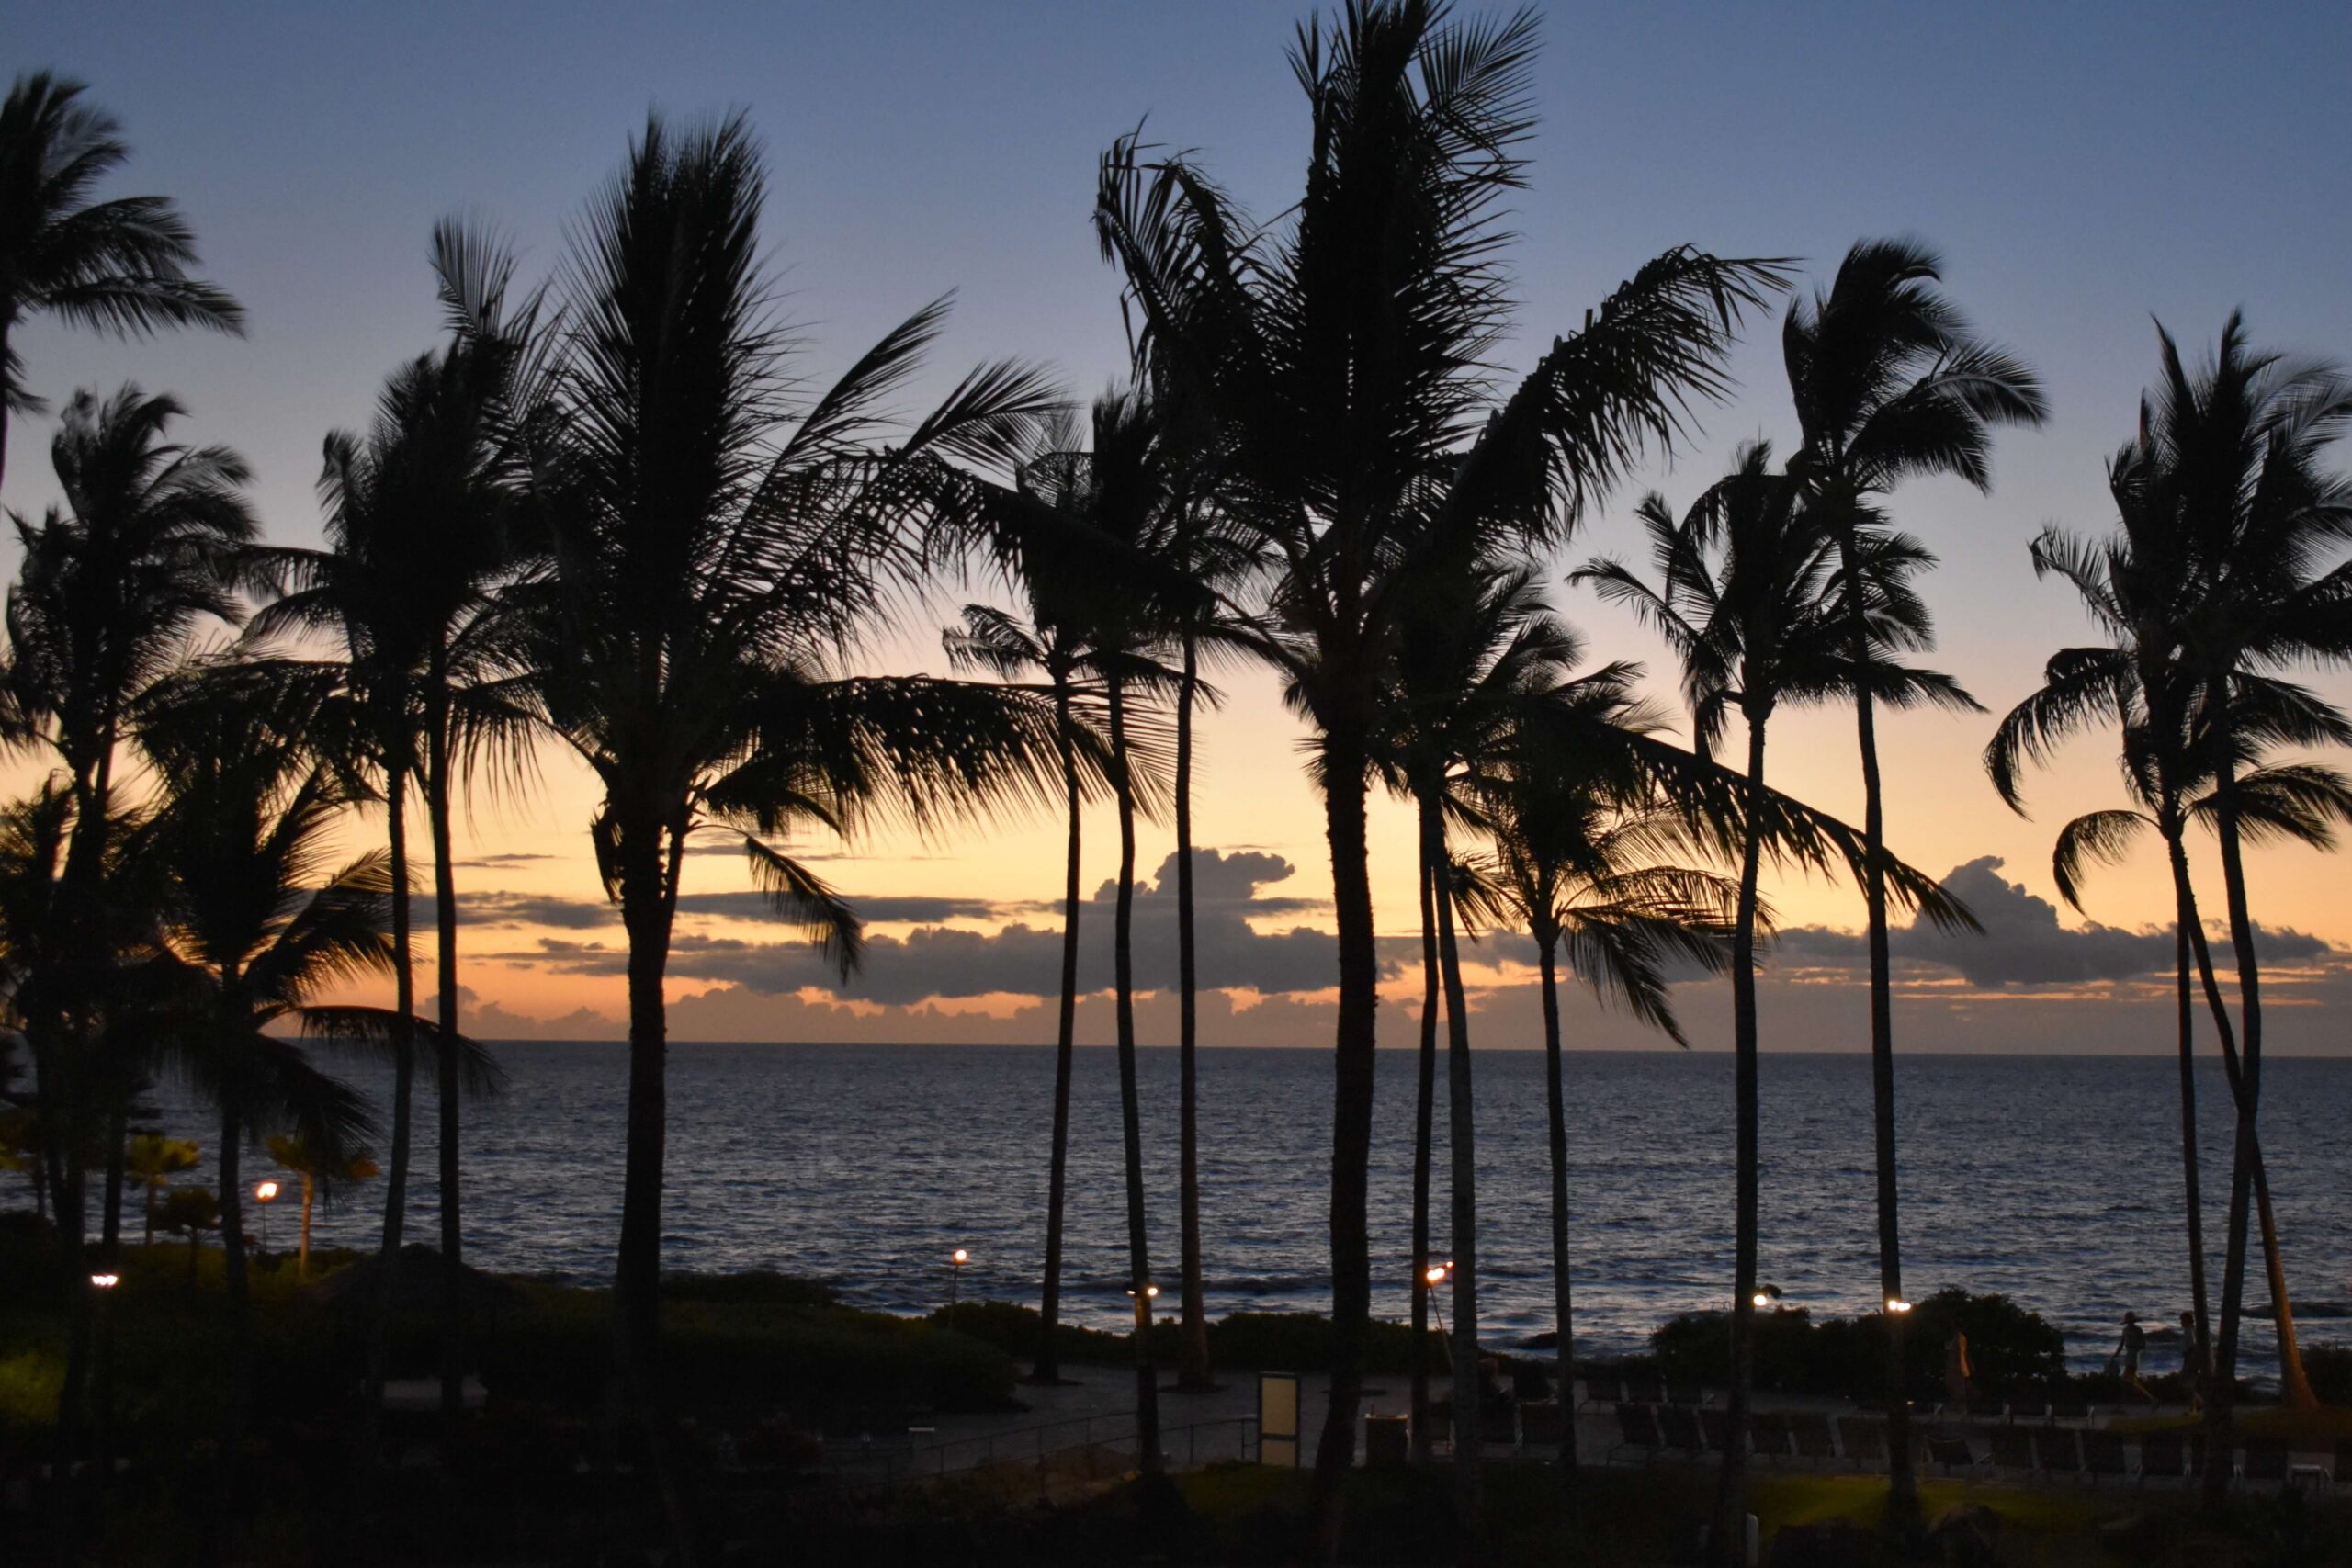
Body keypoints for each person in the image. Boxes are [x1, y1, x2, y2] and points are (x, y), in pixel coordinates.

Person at [2112, 1312, 2156, 1407]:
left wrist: (2135, 1347)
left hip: (2134, 1355)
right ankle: (2150, 1399)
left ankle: (2149, 1399)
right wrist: (2115, 1355)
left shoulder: (2138, 1330)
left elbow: (2143, 1345)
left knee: (2126, 1380)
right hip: (2129, 1355)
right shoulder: (2126, 1330)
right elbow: (2121, 1345)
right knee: (2130, 1380)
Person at [2177, 1310, 2207, 1415]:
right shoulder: (2189, 1330)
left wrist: (2189, 1362)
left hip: (2191, 1359)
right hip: (2190, 1358)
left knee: (2186, 1384)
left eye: (2182, 1320)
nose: (2181, 1322)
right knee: (2187, 1384)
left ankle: (2194, 1407)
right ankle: (2198, 1403)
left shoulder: (2190, 1331)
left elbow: (2193, 1347)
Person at [1942, 1327, 1973, 1414]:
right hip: (1955, 1369)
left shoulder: (1959, 1338)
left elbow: (1961, 1355)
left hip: (1958, 1370)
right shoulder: (1956, 1339)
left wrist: (1965, 1369)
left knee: (1959, 1391)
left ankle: (1960, 1408)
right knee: (1957, 1390)